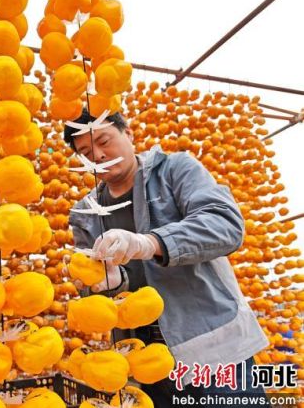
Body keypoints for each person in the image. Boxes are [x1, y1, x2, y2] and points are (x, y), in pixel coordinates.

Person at [65, 108, 271, 407]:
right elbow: (93, 292)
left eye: (104, 141)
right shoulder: (86, 213)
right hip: (143, 359)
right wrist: (106, 284)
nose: (97, 155)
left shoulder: (174, 170)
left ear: (128, 134)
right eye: (85, 152)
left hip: (210, 347)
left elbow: (224, 224)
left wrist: (150, 243)